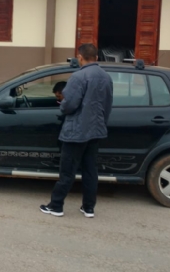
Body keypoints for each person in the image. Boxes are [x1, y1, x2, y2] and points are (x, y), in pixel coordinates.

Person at [40, 43, 113, 218]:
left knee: (67, 171)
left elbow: (69, 105)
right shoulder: (106, 77)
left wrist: (63, 105)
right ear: (96, 57)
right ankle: (88, 208)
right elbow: (107, 105)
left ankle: (56, 206)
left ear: (80, 57)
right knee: (90, 171)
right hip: (95, 131)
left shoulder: (78, 77)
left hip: (76, 132)